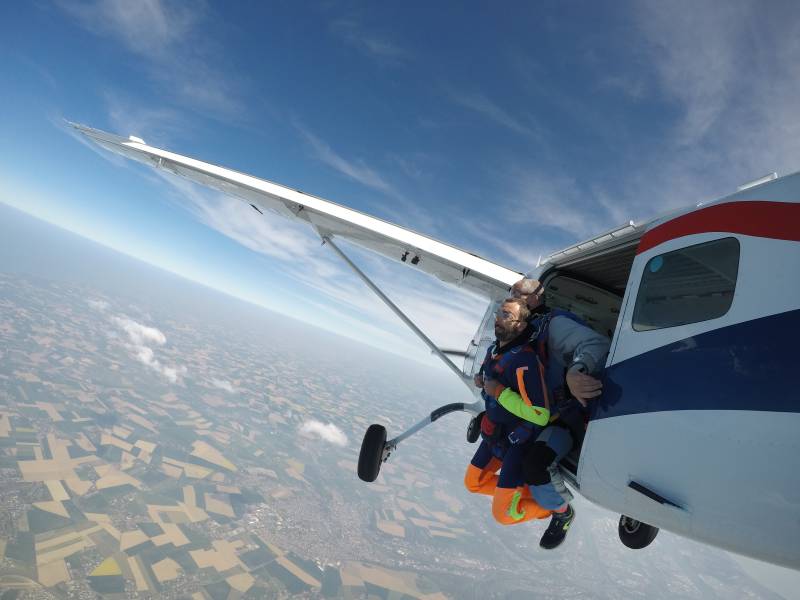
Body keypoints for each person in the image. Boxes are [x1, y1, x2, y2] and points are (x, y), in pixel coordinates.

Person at [503, 277, 611, 548]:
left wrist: (577, 371)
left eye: (518, 293)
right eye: (511, 292)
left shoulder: (552, 325)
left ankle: (562, 513)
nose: (512, 297)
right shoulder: (521, 329)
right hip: (534, 411)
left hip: (562, 416)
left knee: (535, 465)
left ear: (536, 298)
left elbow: (596, 344)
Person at [464, 298, 553, 527]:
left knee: (503, 515)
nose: (498, 319)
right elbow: (492, 383)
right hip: (496, 433)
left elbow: (540, 414)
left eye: (507, 316)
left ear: (521, 326)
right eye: (499, 313)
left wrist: (500, 393)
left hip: (518, 442)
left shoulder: (524, 360)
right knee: (473, 483)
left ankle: (551, 508)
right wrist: (482, 381)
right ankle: (526, 491)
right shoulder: (494, 351)